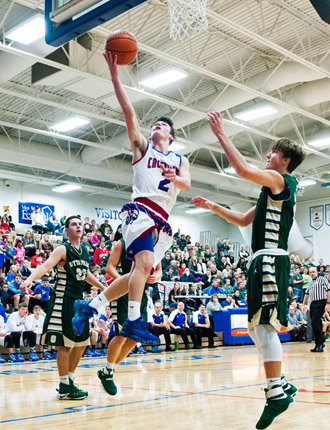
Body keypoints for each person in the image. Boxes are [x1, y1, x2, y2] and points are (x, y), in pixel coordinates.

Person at [191, 111, 305, 430]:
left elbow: (242, 169)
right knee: (256, 327)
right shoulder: (271, 194)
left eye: (271, 152)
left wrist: (220, 134)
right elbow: (243, 220)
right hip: (260, 261)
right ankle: (280, 384)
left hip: (270, 260)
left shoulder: (283, 181)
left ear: (283, 159)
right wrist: (213, 207)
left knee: (265, 327)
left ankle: (275, 393)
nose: (266, 155)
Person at [72, 49, 191, 345]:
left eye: (162, 125)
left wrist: (177, 179)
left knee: (141, 270)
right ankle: (134, 319)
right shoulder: (142, 147)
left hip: (163, 220)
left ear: (172, 136)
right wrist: (115, 76)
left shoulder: (179, 159)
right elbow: (129, 112)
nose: (156, 126)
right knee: (145, 261)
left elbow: (187, 184)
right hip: (140, 210)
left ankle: (91, 306)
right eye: (155, 125)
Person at [21, 215, 105, 400]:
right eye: (74, 224)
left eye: (80, 224)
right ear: (66, 230)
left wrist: (103, 287)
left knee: (82, 343)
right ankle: (64, 384)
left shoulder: (84, 249)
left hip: (79, 303)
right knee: (64, 345)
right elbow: (45, 266)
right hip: (62, 300)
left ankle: (69, 380)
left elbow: (87, 273)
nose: (78, 227)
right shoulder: (62, 249)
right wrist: (29, 279)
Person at [97, 238, 161, 395]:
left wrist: (157, 276)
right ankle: (109, 373)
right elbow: (109, 266)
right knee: (121, 336)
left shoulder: (154, 243)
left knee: (134, 338)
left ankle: (107, 371)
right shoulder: (122, 243)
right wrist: (124, 280)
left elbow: (159, 269)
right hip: (123, 294)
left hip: (141, 293)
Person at [302, 266, 330, 353]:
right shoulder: (309, 282)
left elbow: (329, 290)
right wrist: (303, 304)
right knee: (315, 323)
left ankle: (321, 342)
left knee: (315, 321)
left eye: (313, 272)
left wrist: (328, 303)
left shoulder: (322, 279)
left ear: (317, 272)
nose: (312, 273)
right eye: (310, 272)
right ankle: (318, 344)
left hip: (321, 302)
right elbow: (307, 294)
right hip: (313, 303)